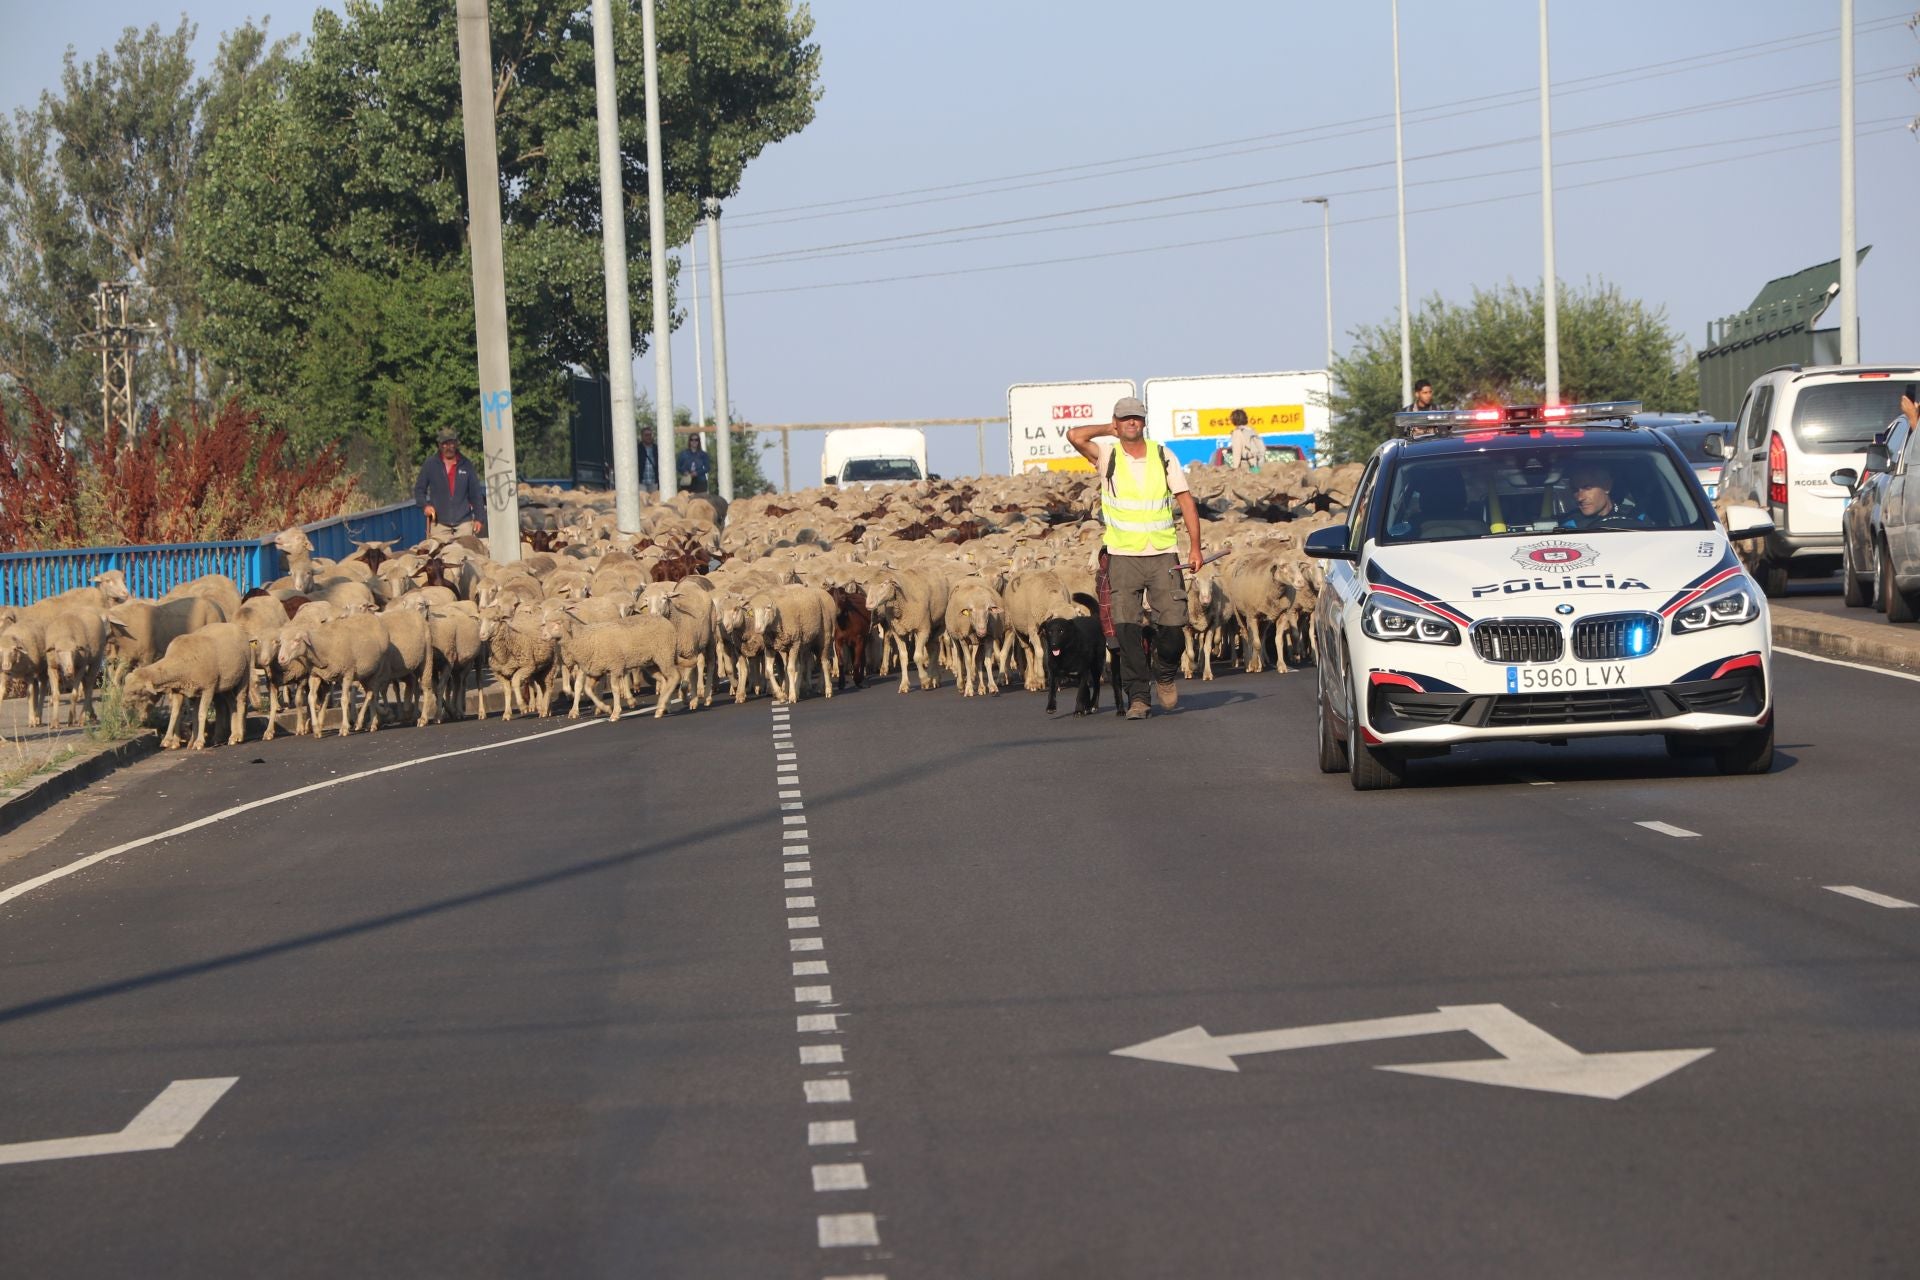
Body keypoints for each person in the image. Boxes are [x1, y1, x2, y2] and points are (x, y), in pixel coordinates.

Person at [1067, 396, 1203, 720]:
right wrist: (1107, 429)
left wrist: (1195, 546)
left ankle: (1166, 672)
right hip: (1122, 554)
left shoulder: (1162, 455)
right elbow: (1075, 436)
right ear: (1117, 421)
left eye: (1136, 418)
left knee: (1173, 627)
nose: (1131, 423)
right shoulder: (1107, 455)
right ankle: (1138, 697)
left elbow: (1185, 500)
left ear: (1144, 422)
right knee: (1126, 630)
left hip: (1161, 553)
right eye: (1125, 418)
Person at [413, 427, 486, 540]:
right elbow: (419, 490)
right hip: (439, 525)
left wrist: (479, 519)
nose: (448, 447)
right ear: (439, 445)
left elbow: (476, 494)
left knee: (467, 555)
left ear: (456, 444)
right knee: (438, 557)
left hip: (464, 525)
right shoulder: (430, 464)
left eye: (451, 443)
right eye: (444, 444)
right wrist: (425, 506)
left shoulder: (466, 465)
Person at [1560, 463, 1651, 530]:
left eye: (1587, 488)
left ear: (1607, 486)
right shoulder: (1572, 524)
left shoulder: (1635, 515)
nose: (1580, 498)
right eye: (1575, 490)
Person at [639, 425, 660, 491]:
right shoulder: (637, 448)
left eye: (650, 435)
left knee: (654, 500)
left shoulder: (656, 448)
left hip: (654, 481)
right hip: (641, 482)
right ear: (642, 436)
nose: (649, 437)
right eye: (646, 435)